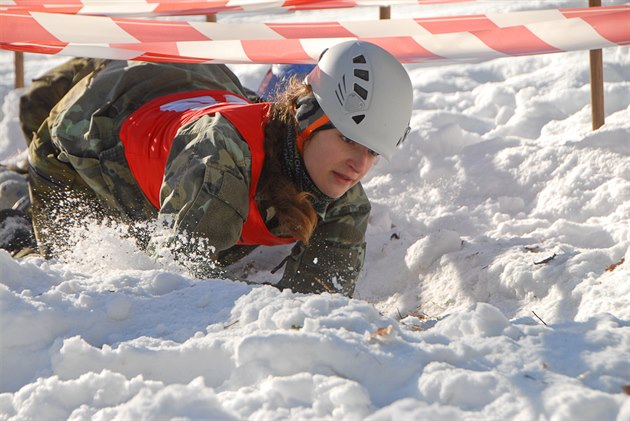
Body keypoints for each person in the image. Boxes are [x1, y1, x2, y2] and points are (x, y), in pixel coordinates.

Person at [2, 40, 413, 297]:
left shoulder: (343, 195)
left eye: (372, 153)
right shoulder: (220, 162)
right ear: (307, 117)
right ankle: (12, 196)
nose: (359, 165)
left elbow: (321, 302)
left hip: (196, 79)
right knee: (72, 270)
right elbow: (178, 284)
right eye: (347, 139)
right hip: (91, 128)